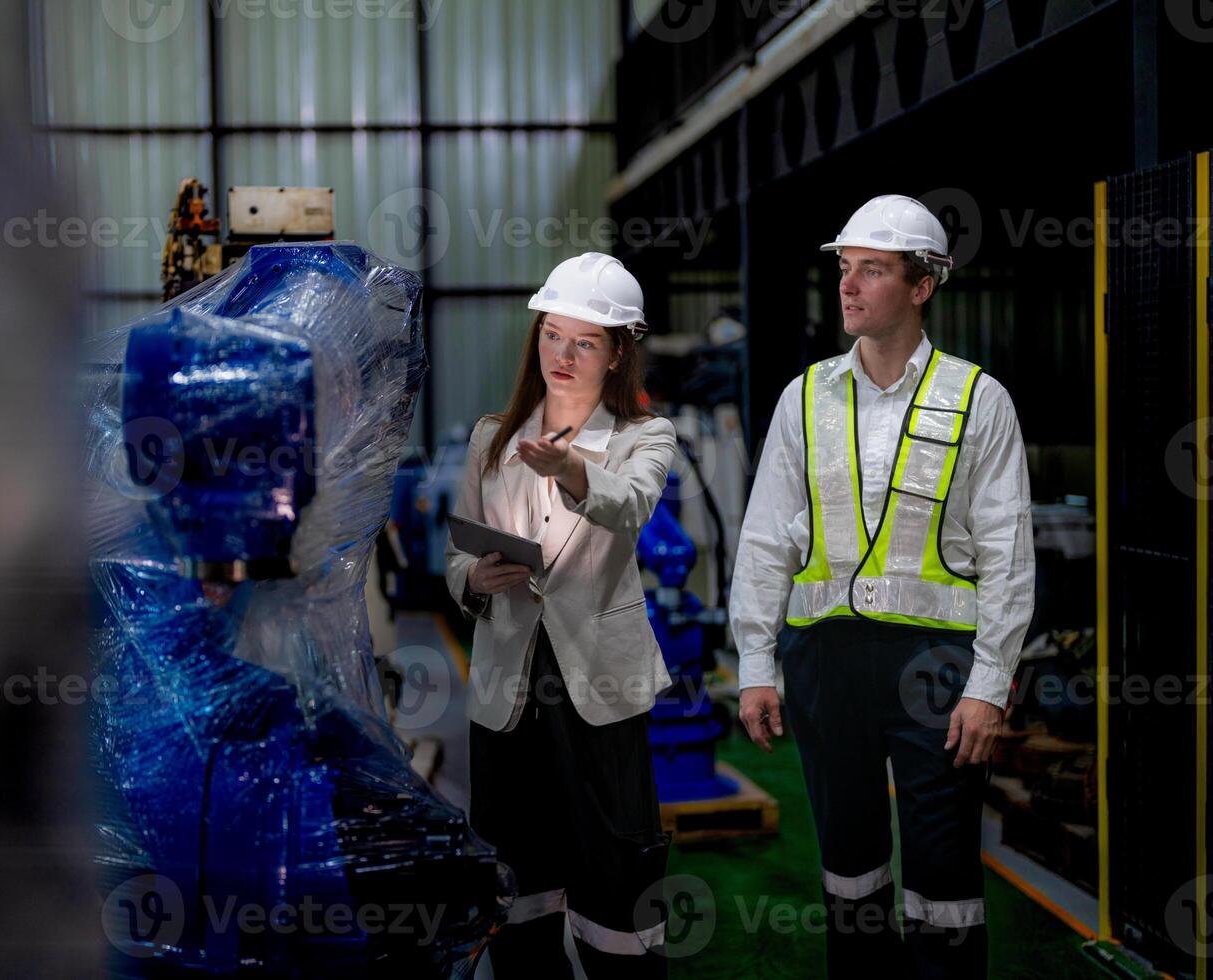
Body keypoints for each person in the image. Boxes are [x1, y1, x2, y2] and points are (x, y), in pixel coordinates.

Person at [728, 195, 1036, 979]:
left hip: (938, 666)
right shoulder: (803, 398)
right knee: (849, 865)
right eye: (844, 268)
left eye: (872, 270)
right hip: (825, 662)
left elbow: (1007, 553)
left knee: (944, 881)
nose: (849, 286)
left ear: (922, 285)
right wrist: (758, 665)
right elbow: (766, 540)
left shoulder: (978, 399)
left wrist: (991, 684)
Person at [444, 252, 678, 979]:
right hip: (507, 699)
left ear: (617, 355)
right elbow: (455, 558)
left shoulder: (646, 438)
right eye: (552, 335)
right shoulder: (491, 437)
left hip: (598, 695)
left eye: (585, 341)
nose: (563, 355)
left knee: (617, 892)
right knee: (519, 890)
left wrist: (569, 467)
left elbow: (629, 502)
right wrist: (476, 579)